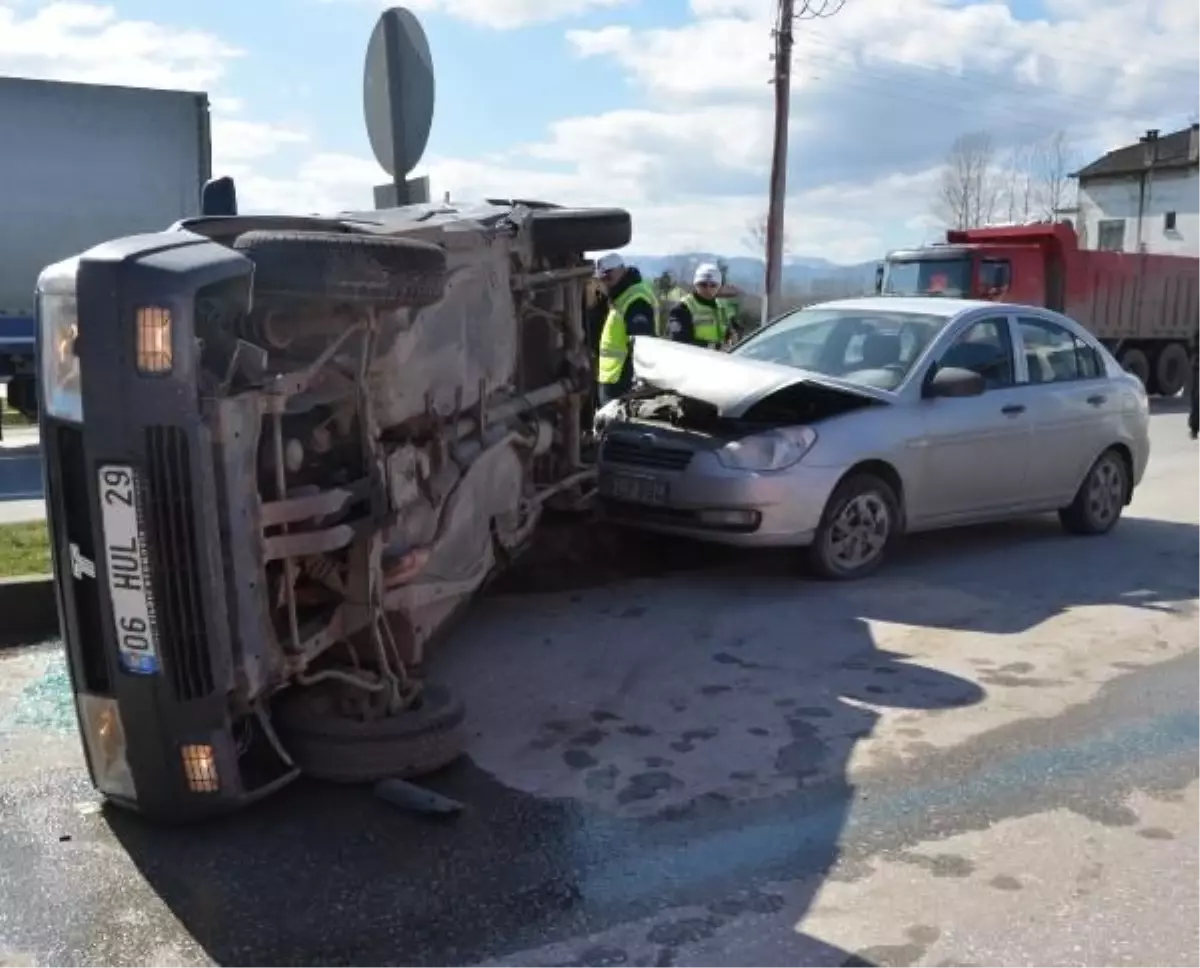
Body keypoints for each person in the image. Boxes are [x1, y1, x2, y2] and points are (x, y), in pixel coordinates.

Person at [594, 252, 658, 405]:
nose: (606, 283)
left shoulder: (636, 299)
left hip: (624, 382)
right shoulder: (620, 297)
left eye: (609, 277)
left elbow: (641, 344)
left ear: (622, 270)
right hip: (613, 379)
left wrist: (636, 384)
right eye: (602, 279)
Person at [666, 263, 734, 349]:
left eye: (713, 285)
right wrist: (716, 347)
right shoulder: (683, 307)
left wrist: (731, 338)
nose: (708, 289)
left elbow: (729, 333)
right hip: (695, 359)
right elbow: (680, 341)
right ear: (696, 285)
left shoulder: (722, 307)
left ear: (719, 286)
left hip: (720, 360)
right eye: (703, 284)